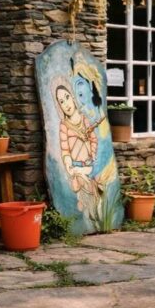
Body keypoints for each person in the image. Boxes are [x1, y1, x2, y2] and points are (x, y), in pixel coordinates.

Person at [55, 83, 101, 215]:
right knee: (82, 198)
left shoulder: (84, 120)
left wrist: (92, 152)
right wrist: (68, 164)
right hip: (75, 168)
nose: (66, 104)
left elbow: (94, 140)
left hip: (88, 166)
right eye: (61, 102)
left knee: (93, 196)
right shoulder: (64, 125)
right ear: (59, 106)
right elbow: (65, 150)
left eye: (67, 97)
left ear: (73, 98)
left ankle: (95, 208)